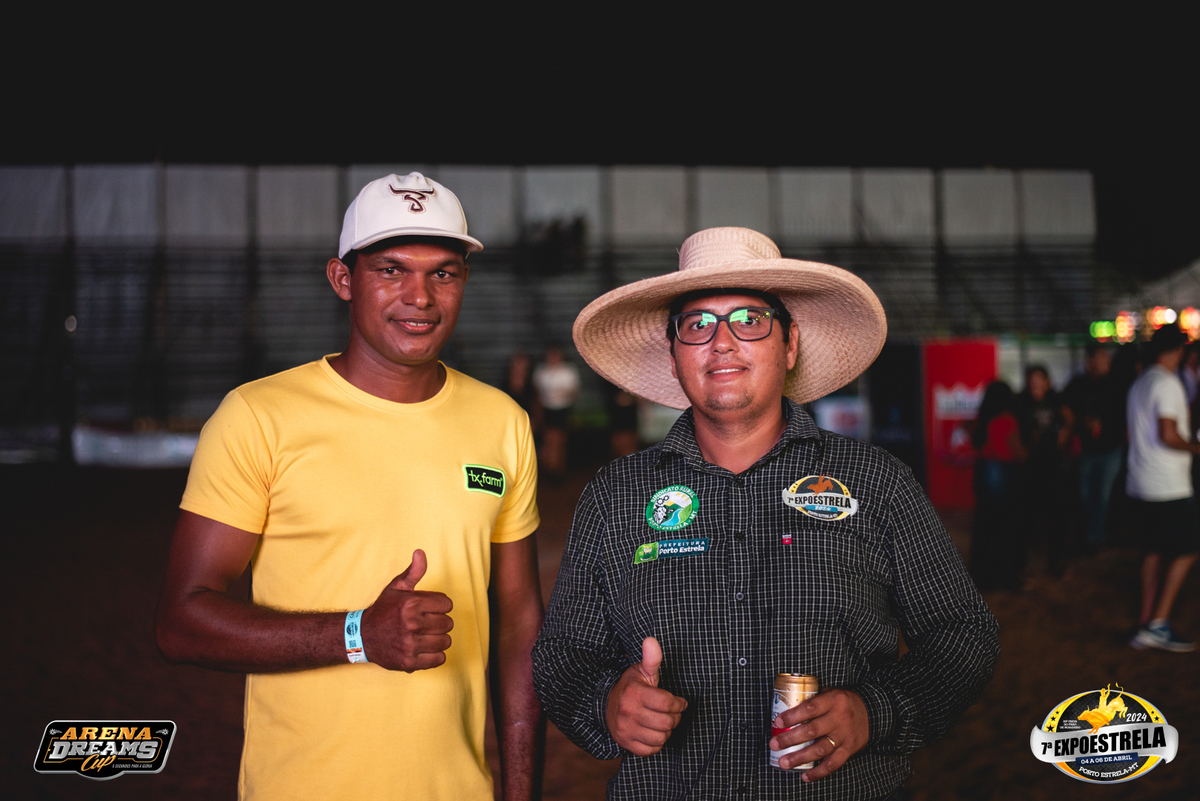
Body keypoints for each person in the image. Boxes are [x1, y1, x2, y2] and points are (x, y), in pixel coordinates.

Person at [532, 227, 999, 800]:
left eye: (749, 320)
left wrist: (873, 711)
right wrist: (606, 704)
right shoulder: (615, 495)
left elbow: (963, 633)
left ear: (790, 344)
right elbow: (563, 654)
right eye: (697, 325)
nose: (722, 343)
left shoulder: (877, 483)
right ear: (674, 355)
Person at [155, 172, 545, 800]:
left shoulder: (502, 422)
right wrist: (357, 634)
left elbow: (519, 626)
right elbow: (181, 622)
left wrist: (522, 793)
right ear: (343, 279)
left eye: (443, 273)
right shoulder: (259, 417)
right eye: (392, 270)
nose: (420, 297)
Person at [1125, 324, 1199, 652]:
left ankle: (1145, 622)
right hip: (1167, 484)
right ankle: (1158, 623)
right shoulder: (1167, 383)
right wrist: (1197, 448)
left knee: (1153, 551)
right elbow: (1168, 435)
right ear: (1178, 351)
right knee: (1189, 548)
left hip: (1141, 480)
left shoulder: (1140, 382)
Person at [1062, 343, 1124, 549]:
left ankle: (1097, 536)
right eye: (1101, 356)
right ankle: (1091, 536)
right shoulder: (1078, 384)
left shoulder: (1117, 384)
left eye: (1106, 356)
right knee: (1086, 496)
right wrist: (1081, 422)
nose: (1106, 360)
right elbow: (1064, 407)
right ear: (1089, 361)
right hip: (1086, 450)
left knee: (1103, 496)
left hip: (1111, 449)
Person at [969, 381, 1027, 591]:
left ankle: (983, 576)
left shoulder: (982, 418)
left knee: (985, 527)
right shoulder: (1007, 419)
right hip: (1003, 473)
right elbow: (1017, 451)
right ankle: (1006, 576)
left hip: (983, 472)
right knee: (1007, 527)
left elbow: (976, 444)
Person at [532, 344, 581, 476]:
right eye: (550, 355)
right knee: (549, 440)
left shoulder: (568, 371)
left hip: (563, 410)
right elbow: (536, 393)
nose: (553, 358)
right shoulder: (541, 371)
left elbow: (574, 392)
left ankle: (558, 470)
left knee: (560, 440)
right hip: (546, 410)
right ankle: (551, 470)